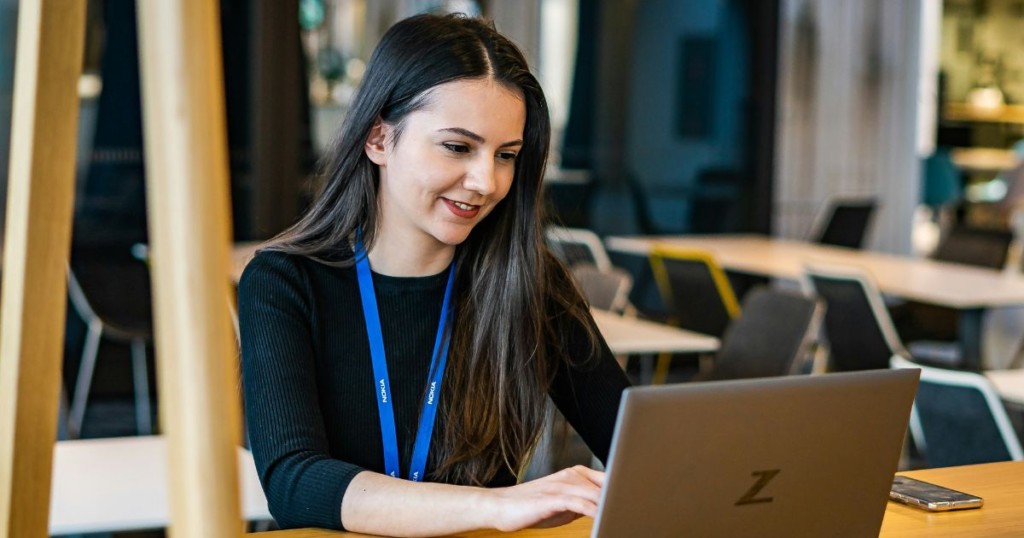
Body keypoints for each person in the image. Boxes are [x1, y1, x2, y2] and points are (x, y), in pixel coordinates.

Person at [239, 13, 630, 536]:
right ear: (379, 139)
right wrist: (495, 506)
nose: (486, 181)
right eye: (457, 147)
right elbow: (295, 481)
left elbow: (634, 445)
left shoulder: (528, 282)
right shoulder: (284, 281)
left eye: (506, 155)